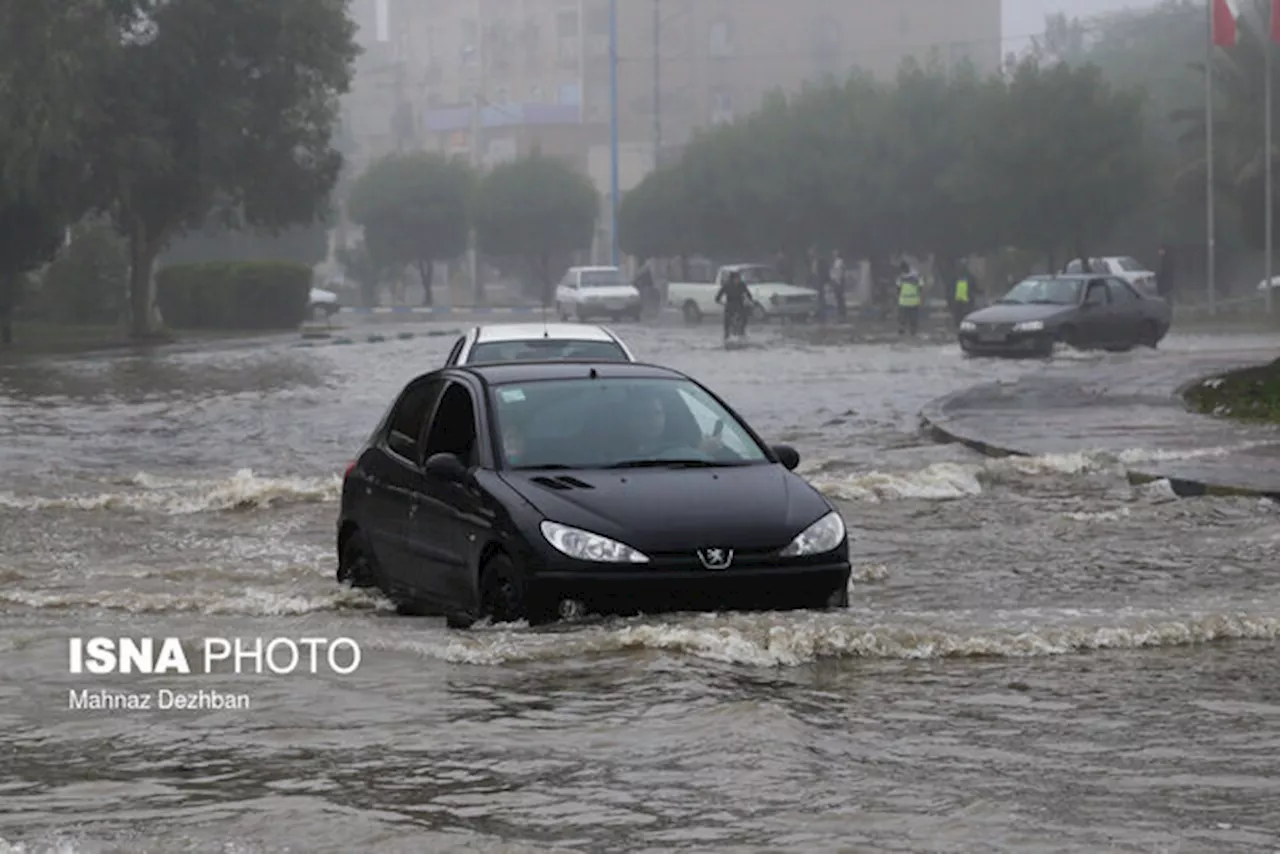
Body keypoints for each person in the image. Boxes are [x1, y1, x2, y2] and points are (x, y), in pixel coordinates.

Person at [714, 270, 756, 342]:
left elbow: (748, 294)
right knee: (727, 322)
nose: (738, 280)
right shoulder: (726, 285)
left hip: (740, 305)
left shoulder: (742, 285)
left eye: (739, 278)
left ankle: (742, 334)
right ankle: (726, 337)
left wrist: (750, 301)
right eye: (736, 278)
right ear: (732, 279)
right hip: (730, 306)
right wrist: (722, 303)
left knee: (743, 319)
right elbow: (717, 298)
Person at [896, 262, 922, 337]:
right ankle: (906, 330)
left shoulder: (903, 277)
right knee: (906, 317)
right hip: (910, 301)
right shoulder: (916, 275)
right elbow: (921, 287)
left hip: (907, 301)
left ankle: (910, 331)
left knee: (908, 317)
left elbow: (898, 288)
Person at [829, 251, 848, 322]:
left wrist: (837, 280)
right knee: (839, 297)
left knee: (840, 297)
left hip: (838, 282)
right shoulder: (836, 262)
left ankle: (842, 312)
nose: (833, 255)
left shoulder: (839, 262)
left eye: (834, 253)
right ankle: (841, 311)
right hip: (837, 281)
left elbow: (839, 272)